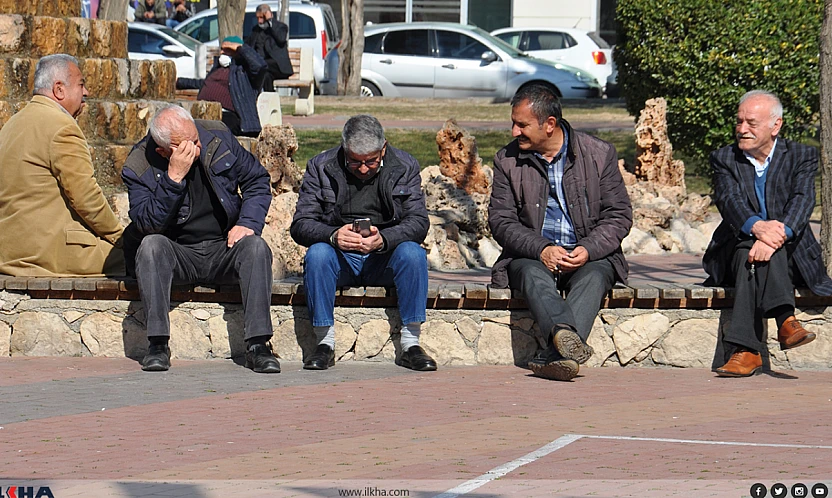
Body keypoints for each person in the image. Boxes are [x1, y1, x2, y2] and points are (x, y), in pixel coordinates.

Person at [488, 83, 632, 382]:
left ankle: (556, 352)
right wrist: (541, 248)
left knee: (595, 276)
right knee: (531, 275)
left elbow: (618, 216)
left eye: (522, 125)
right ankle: (563, 343)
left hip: (589, 255)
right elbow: (501, 221)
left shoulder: (599, 154)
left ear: (549, 124)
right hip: (531, 255)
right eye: (514, 123)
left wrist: (588, 249)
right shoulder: (506, 160)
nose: (514, 131)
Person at [121, 106, 279, 374]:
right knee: (151, 246)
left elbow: (257, 180)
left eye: (196, 139)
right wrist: (173, 179)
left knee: (256, 247)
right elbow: (148, 224)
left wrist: (247, 223)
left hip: (224, 247)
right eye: (187, 146)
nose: (198, 147)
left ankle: (258, 345)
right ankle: (157, 345)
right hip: (178, 253)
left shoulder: (216, 136)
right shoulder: (138, 164)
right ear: (164, 151)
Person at [290, 114, 437, 372]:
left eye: (371, 161)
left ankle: (411, 343)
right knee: (318, 254)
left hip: (384, 258)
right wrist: (333, 235)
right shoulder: (320, 166)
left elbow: (418, 222)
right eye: (355, 161)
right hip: (340, 259)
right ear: (344, 149)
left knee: (413, 253)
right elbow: (301, 224)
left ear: (384, 148)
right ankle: (324, 342)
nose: (363, 168)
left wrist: (384, 240)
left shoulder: (405, 165)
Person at [704, 90, 832, 377]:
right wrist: (760, 229)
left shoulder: (801, 155)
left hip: (792, 254)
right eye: (739, 122)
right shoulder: (724, 158)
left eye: (751, 122)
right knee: (747, 250)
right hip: (735, 249)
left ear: (776, 126)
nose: (742, 129)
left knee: (755, 256)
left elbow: (802, 201)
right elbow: (730, 201)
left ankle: (746, 352)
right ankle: (786, 321)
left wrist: (776, 237)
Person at [0, 54, 124, 277]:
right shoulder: (61, 127)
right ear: (59, 89)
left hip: (8, 252)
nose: (86, 92)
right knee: (144, 258)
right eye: (81, 84)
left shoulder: (11, 124)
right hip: (47, 254)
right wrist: (121, 237)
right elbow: (86, 198)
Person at [176, 37, 267, 137]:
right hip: (205, 111)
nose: (222, 52)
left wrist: (241, 48)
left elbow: (260, 66)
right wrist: (179, 81)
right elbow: (204, 83)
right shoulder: (218, 68)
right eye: (221, 49)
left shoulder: (243, 72)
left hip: (229, 116)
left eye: (227, 49)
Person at [245, 3, 294, 92]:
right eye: (257, 18)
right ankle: (271, 97)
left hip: (278, 66)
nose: (259, 21)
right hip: (264, 68)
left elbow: (281, 39)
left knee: (262, 64)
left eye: (261, 17)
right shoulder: (256, 30)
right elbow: (248, 45)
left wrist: (270, 20)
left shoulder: (280, 27)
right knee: (265, 75)